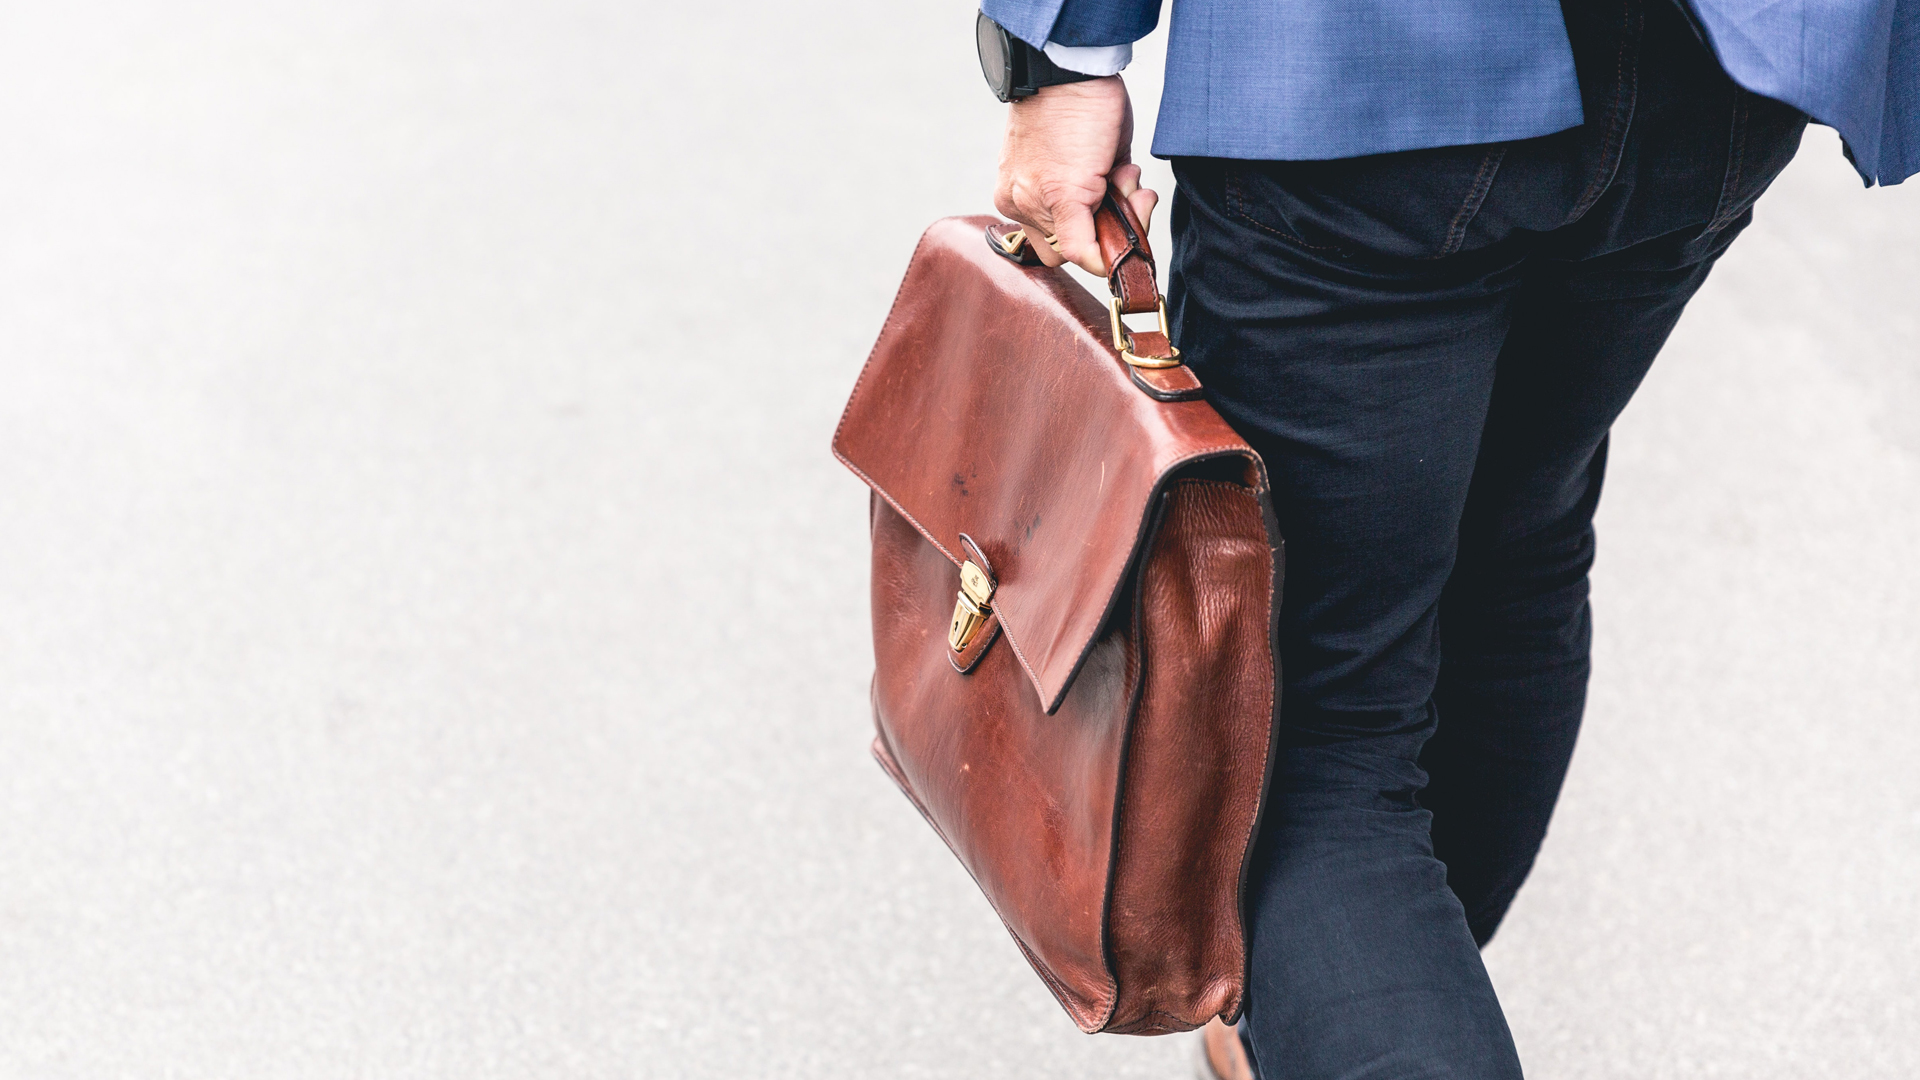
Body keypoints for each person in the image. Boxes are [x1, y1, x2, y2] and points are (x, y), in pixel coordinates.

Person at [974, 0, 1918, 1076]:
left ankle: (1363, 1000)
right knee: (1513, 549)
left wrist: (1061, 51)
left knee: (1304, 721)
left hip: (1371, 68)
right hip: (1716, 76)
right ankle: (1363, 990)